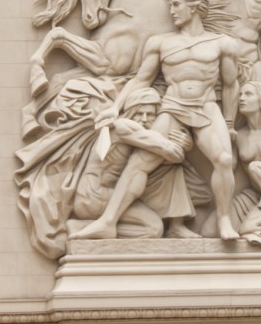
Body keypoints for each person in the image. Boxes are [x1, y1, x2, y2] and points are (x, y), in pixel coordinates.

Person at [70, 0, 241, 242]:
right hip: (173, 107)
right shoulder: (161, 43)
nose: (172, 11)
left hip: (206, 108)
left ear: (194, 6)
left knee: (225, 160)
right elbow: (141, 79)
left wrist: (228, 123)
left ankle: (224, 219)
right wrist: (115, 108)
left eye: (176, 4)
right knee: (140, 162)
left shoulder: (223, 44)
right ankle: (108, 221)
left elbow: (231, 85)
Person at [69, 88, 199, 239]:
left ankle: (81, 227)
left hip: (108, 196)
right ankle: (104, 224)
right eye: (139, 113)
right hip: (93, 196)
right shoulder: (122, 126)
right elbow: (172, 153)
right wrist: (180, 145)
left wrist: (186, 144)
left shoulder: (138, 139)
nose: (144, 119)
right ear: (130, 113)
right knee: (143, 170)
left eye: (150, 115)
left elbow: (168, 157)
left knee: (153, 230)